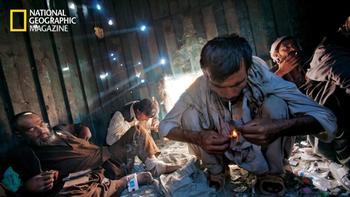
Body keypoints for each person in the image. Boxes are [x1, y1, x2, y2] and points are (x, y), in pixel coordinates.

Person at [159, 33, 337, 195]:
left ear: (248, 69)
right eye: (219, 87)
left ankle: (273, 173)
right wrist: (198, 137)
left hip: (261, 149)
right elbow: (164, 127)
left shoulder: (261, 76)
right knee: (188, 115)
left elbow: (326, 119)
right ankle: (217, 171)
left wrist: (279, 127)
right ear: (206, 75)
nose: (229, 94)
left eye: (237, 84)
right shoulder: (199, 87)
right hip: (221, 152)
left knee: (276, 104)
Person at [7, 111, 156, 196]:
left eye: (40, 123)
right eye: (31, 129)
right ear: (20, 135)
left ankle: (153, 164)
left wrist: (83, 128)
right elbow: (9, 187)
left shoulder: (59, 130)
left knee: (137, 131)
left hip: (110, 159)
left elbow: (77, 127)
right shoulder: (24, 155)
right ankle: (124, 182)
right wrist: (26, 187)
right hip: (88, 179)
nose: (41, 130)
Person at [304, 16, 350, 190]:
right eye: (284, 47)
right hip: (328, 124)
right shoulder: (329, 51)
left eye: (292, 44)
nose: (290, 48)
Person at [106, 98, 179, 176]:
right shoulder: (120, 116)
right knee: (137, 130)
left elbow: (153, 115)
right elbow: (110, 141)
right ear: (138, 112)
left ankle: (153, 163)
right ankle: (154, 167)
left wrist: (155, 122)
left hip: (134, 147)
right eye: (146, 117)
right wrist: (129, 129)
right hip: (117, 152)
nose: (147, 119)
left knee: (139, 129)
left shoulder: (141, 106)